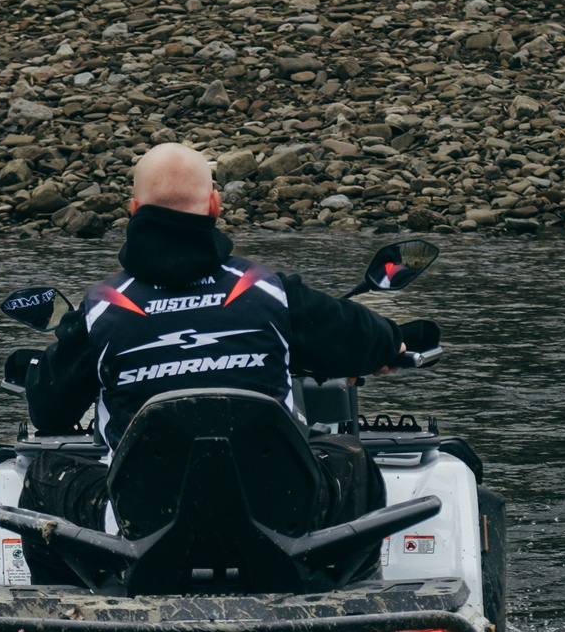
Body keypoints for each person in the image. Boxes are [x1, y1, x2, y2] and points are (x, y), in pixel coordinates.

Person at [26, 142, 414, 447]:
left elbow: (48, 413)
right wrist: (389, 348)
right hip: (275, 517)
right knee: (350, 454)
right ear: (215, 205)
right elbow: (372, 338)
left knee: (42, 473)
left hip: (141, 527)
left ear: (133, 210)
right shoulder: (272, 292)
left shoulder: (99, 310)